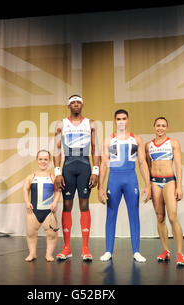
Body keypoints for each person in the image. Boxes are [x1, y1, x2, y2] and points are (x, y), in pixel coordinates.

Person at [98, 110, 152, 262]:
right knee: (111, 215)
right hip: (114, 179)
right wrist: (100, 187)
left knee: (134, 215)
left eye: (124, 118)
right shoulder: (109, 139)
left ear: (128, 120)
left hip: (130, 178)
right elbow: (103, 163)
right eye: (118, 119)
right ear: (115, 121)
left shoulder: (137, 139)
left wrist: (147, 185)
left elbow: (142, 163)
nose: (121, 121)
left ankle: (136, 251)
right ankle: (108, 251)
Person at [53, 95, 100, 261]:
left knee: (84, 204)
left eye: (78, 102)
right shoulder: (61, 124)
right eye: (72, 102)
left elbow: (95, 148)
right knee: (66, 205)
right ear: (68, 106)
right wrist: (57, 172)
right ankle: (67, 248)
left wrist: (96, 171)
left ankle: (85, 248)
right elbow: (57, 149)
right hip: (68, 166)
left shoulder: (91, 123)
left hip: (85, 165)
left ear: (82, 104)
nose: (75, 104)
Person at [145, 117, 184, 266]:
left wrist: (179, 186)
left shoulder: (173, 143)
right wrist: (149, 186)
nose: (160, 128)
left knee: (173, 216)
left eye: (163, 126)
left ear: (167, 128)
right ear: (154, 127)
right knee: (160, 217)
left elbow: (179, 165)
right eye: (158, 125)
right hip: (155, 182)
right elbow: (148, 168)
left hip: (169, 181)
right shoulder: (148, 145)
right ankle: (166, 251)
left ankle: (180, 254)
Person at [22, 150, 61, 262]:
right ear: (37, 160)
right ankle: (32, 253)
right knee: (31, 234)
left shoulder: (52, 177)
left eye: (45, 159)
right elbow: (25, 189)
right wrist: (27, 202)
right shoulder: (31, 177)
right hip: (33, 211)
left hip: (48, 212)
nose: (43, 161)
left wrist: (55, 203)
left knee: (52, 235)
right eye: (40, 159)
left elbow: (58, 191)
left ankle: (48, 254)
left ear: (49, 161)